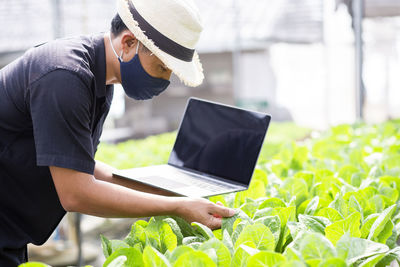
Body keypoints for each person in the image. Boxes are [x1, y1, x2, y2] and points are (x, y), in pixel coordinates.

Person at [0, 0, 235, 265]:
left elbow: (79, 165)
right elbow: (76, 193)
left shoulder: (98, 82)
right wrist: (176, 207)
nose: (165, 80)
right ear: (128, 43)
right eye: (161, 67)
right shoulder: (64, 76)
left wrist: (170, 192)